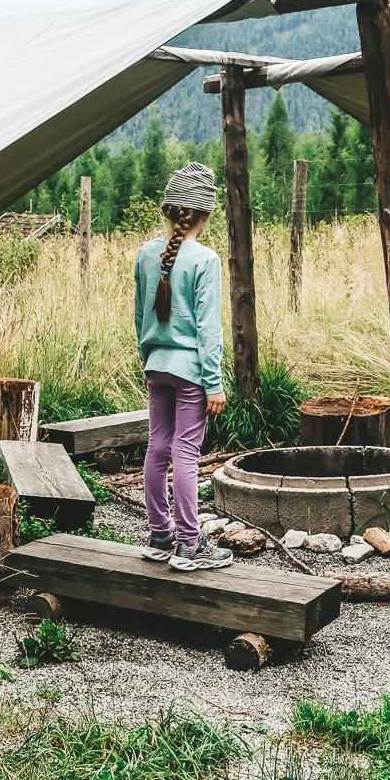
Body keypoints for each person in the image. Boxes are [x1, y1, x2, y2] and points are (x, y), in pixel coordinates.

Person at [134, 162, 233, 572]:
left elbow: (139, 313)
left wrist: (149, 358)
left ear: (168, 210)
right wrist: (214, 383)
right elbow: (208, 326)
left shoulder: (146, 253)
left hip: (157, 365)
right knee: (186, 454)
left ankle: (161, 535)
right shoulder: (205, 260)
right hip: (193, 372)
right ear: (205, 215)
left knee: (158, 447)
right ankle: (190, 544)